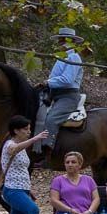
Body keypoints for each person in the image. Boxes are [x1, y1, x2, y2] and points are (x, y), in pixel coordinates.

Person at [1, 115, 49, 214]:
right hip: (12, 190)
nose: (29, 132)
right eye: (25, 129)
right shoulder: (10, 144)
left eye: (29, 129)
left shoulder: (22, 147)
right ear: (16, 130)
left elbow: (20, 171)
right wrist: (35, 139)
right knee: (33, 210)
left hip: (21, 189)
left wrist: (28, 190)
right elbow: (13, 150)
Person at [38, 27, 89, 155]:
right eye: (59, 40)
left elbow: (67, 79)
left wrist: (48, 82)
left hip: (68, 96)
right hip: (55, 94)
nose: (60, 42)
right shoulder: (61, 57)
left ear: (70, 41)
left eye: (62, 40)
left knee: (51, 119)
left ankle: (47, 152)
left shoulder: (73, 57)